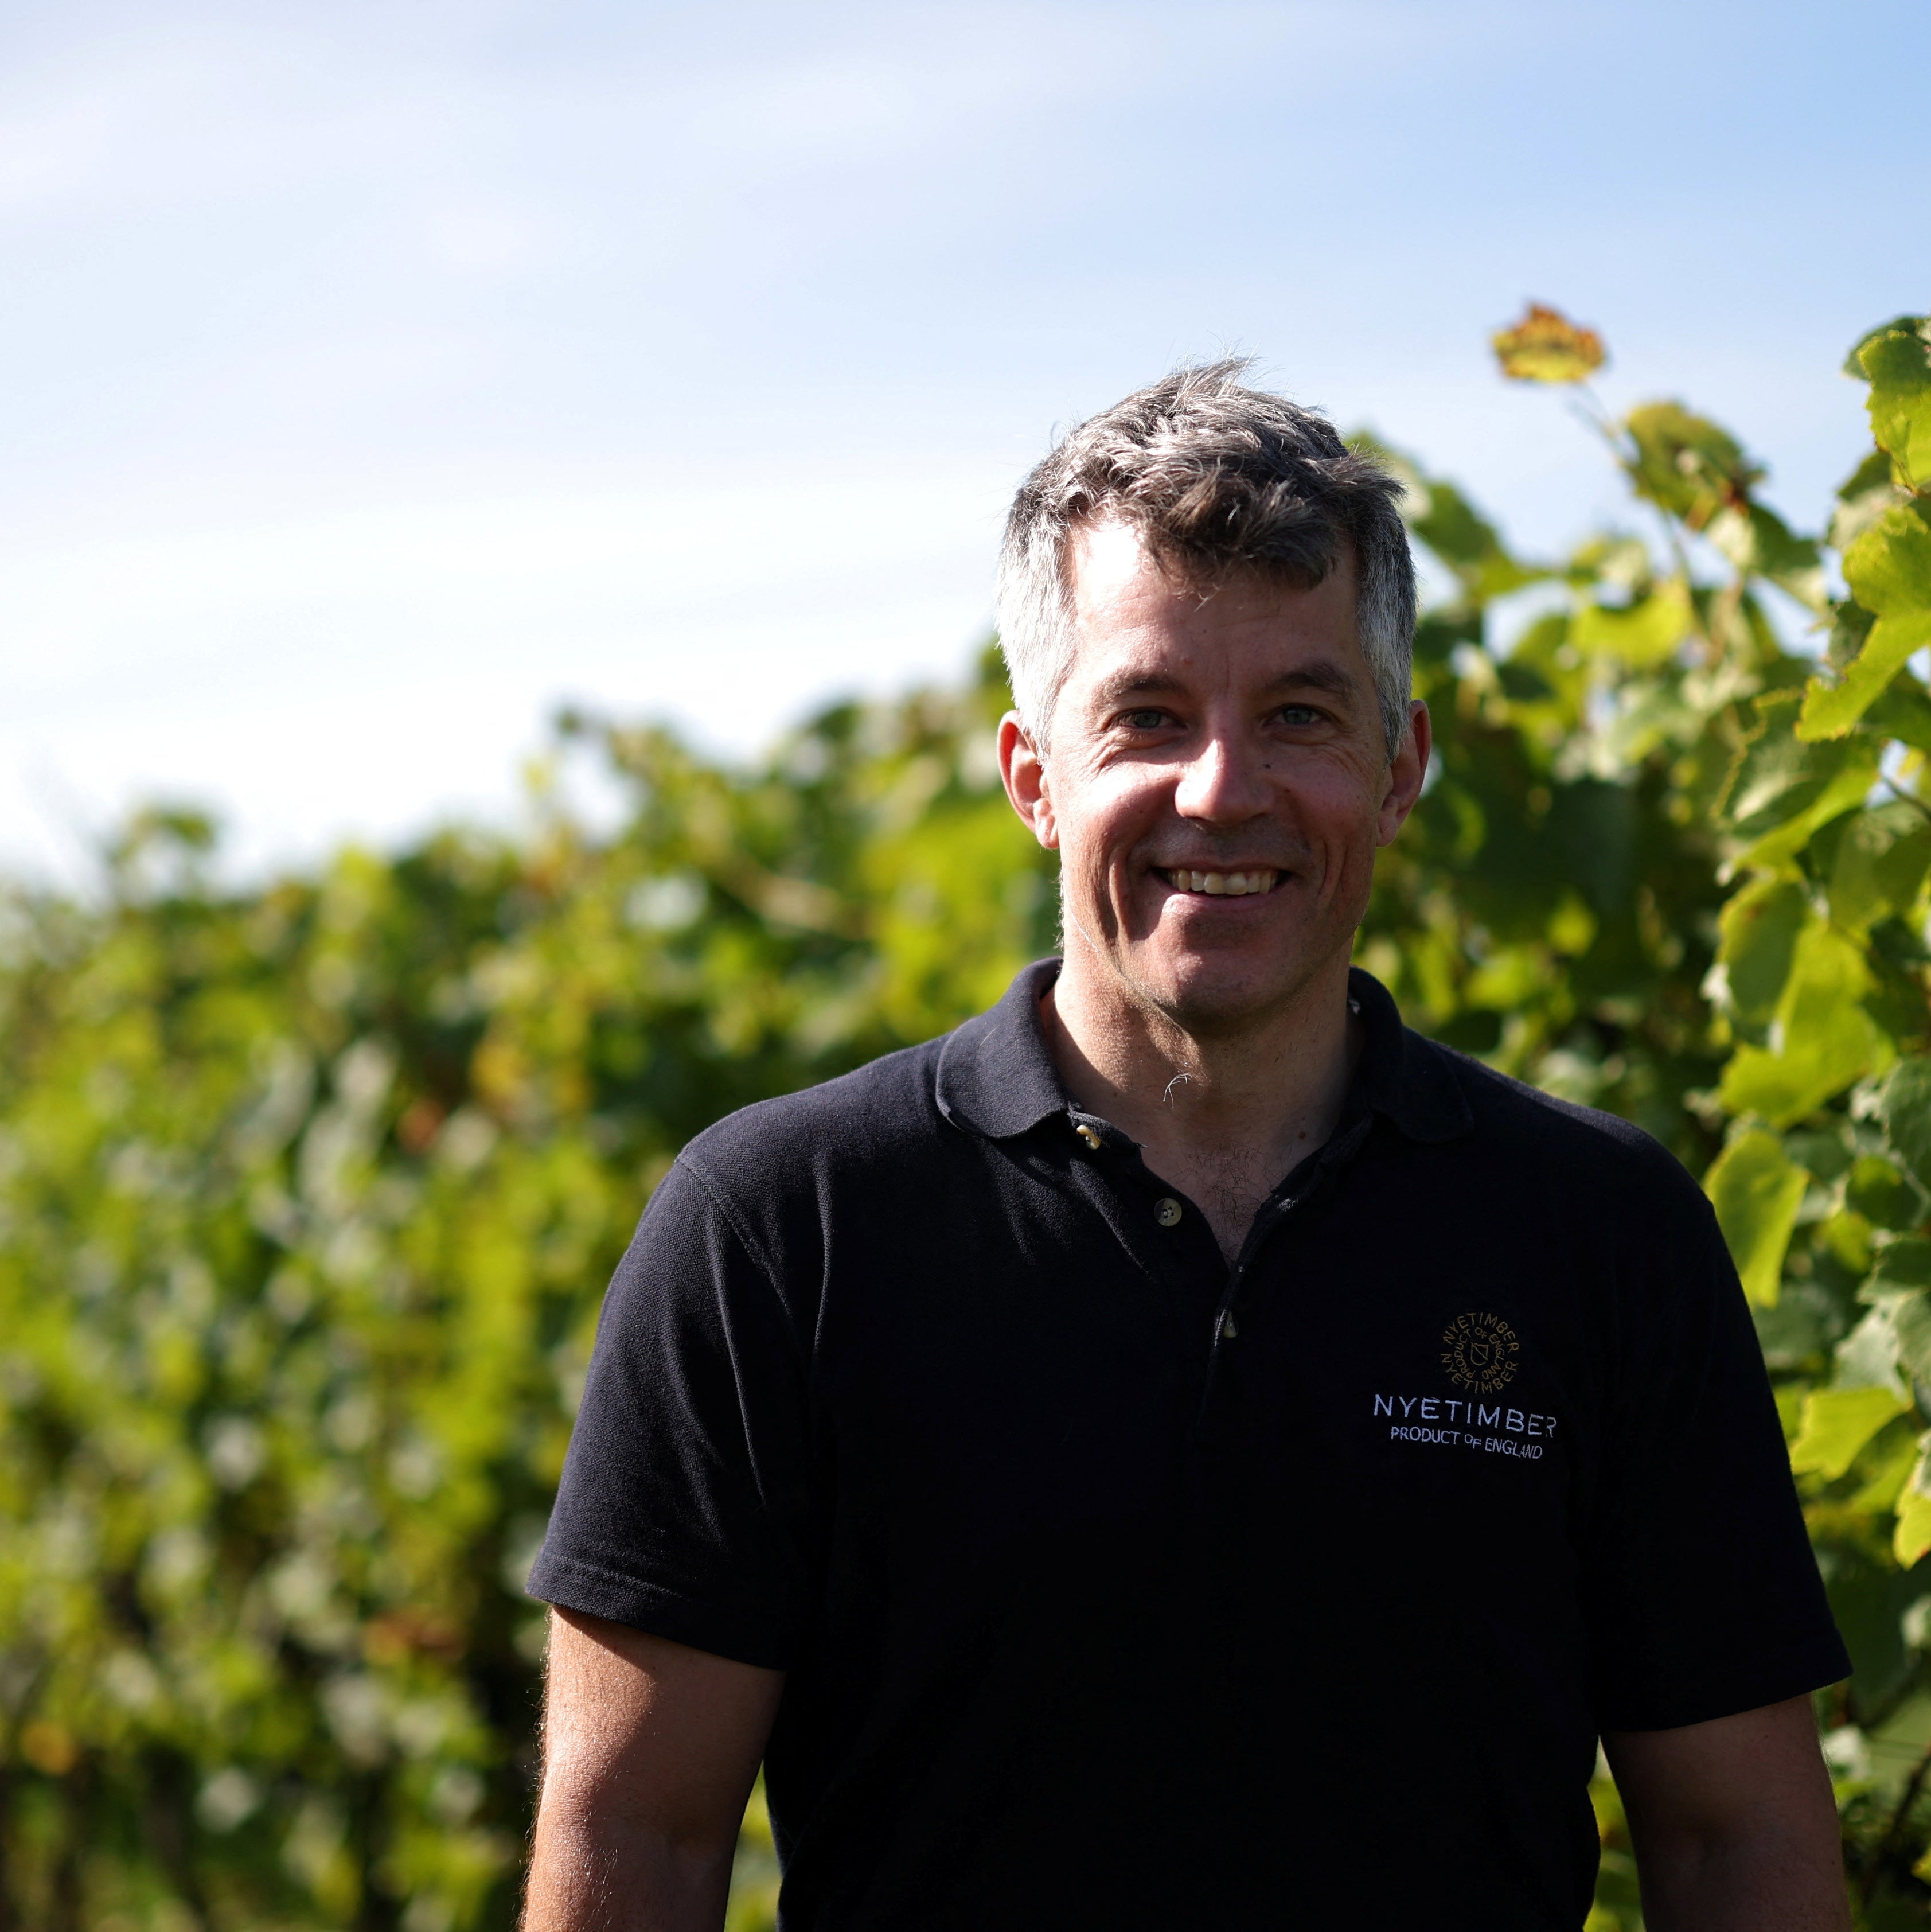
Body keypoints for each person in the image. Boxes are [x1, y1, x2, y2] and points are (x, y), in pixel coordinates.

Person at [520, 363, 1851, 1929]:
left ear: (1400, 764)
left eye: (1298, 714)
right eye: (1146, 717)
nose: (1222, 792)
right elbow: (637, 1846)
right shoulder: (783, 1228)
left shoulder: (1600, 1233)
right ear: (1034, 777)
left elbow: (1734, 1849)